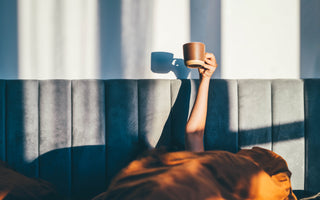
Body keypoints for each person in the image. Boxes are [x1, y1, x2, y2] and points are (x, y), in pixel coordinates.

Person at [93, 52, 297, 200]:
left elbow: (194, 135)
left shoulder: (241, 178)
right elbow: (194, 135)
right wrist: (204, 79)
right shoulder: (207, 168)